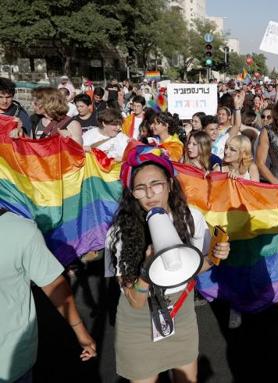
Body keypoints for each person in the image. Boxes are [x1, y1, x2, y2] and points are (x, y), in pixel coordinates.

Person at [105, 145, 230, 382]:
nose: (150, 194)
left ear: (170, 185)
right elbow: (136, 300)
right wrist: (146, 269)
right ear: (132, 193)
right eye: (140, 188)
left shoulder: (190, 217)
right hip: (139, 321)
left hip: (180, 313)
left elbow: (195, 266)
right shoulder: (119, 232)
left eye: (157, 185)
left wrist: (214, 255)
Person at [0, 208, 96, 382]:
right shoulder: (21, 230)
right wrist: (81, 332)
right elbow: (54, 285)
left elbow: (54, 285)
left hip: (10, 363)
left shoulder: (20, 231)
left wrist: (80, 332)